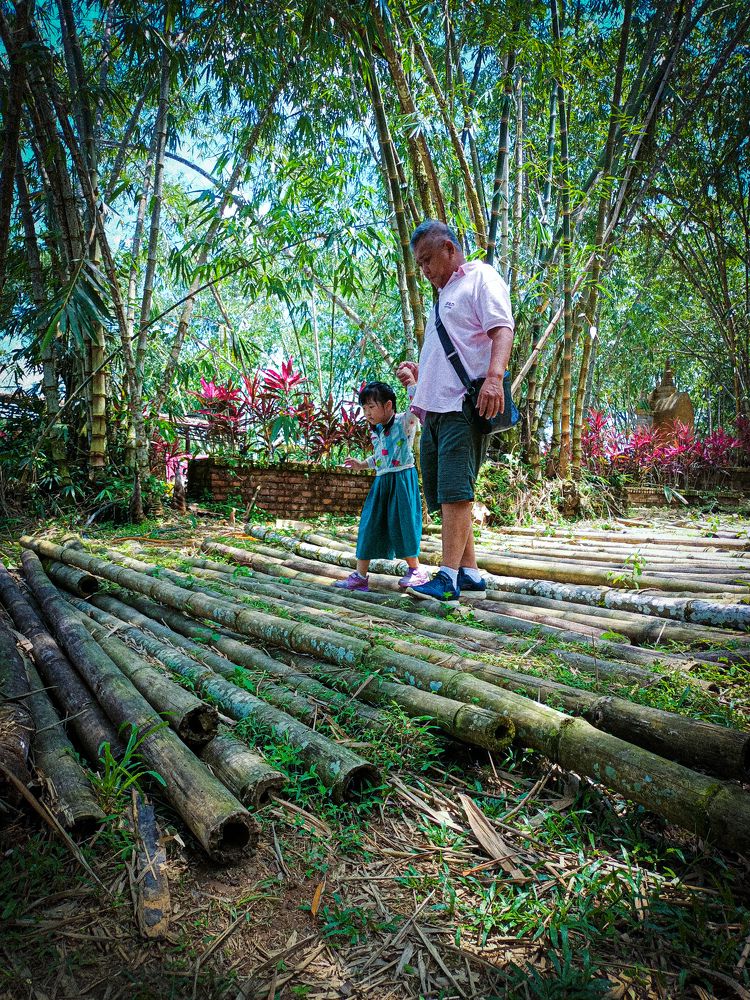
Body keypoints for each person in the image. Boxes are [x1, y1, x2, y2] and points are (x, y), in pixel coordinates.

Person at [397, 219, 514, 604]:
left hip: (462, 406)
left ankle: (446, 579)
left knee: (454, 491)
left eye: (428, 259)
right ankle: (470, 574)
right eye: (420, 264)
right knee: (443, 493)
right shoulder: (443, 295)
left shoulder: (480, 277)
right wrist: (419, 375)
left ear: (449, 248)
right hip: (435, 408)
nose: (425, 270)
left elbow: (502, 329)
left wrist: (495, 377)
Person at [333, 378, 429, 592]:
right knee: (369, 524)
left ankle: (417, 571)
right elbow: (379, 456)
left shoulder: (405, 422)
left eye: (371, 407)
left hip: (402, 479)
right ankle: (360, 576)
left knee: (403, 523)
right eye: (364, 408)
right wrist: (361, 464)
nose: (367, 412)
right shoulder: (375, 430)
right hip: (381, 481)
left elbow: (417, 403)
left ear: (388, 406)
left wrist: (412, 382)